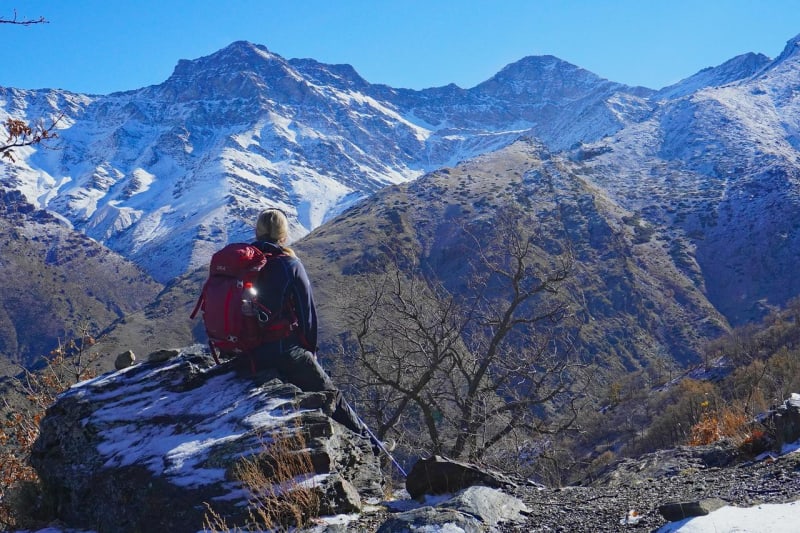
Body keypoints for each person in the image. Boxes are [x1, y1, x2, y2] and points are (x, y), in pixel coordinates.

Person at [248, 208, 366, 438]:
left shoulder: (244, 262)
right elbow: (307, 314)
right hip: (284, 350)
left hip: (248, 351)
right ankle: (368, 444)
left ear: (257, 231)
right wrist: (310, 352)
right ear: (284, 234)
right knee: (331, 395)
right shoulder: (289, 264)